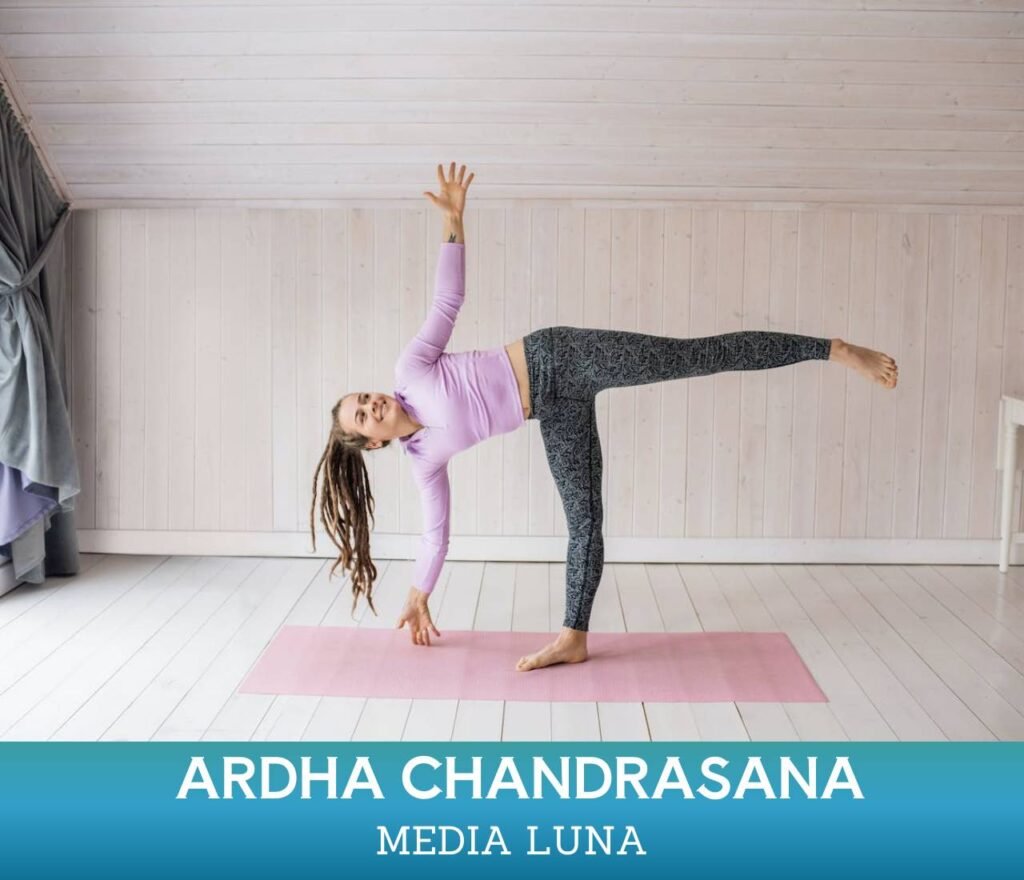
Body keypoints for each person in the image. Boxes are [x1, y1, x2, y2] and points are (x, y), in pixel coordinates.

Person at [310, 162, 899, 672]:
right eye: (365, 414)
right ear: (373, 443)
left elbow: (447, 301)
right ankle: (574, 638)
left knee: (697, 356)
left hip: (558, 354)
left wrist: (453, 222)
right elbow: (435, 532)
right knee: (584, 521)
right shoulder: (423, 460)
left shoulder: (411, 370)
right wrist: (419, 591)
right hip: (552, 408)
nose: (373, 403)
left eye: (366, 397)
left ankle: (832, 349)